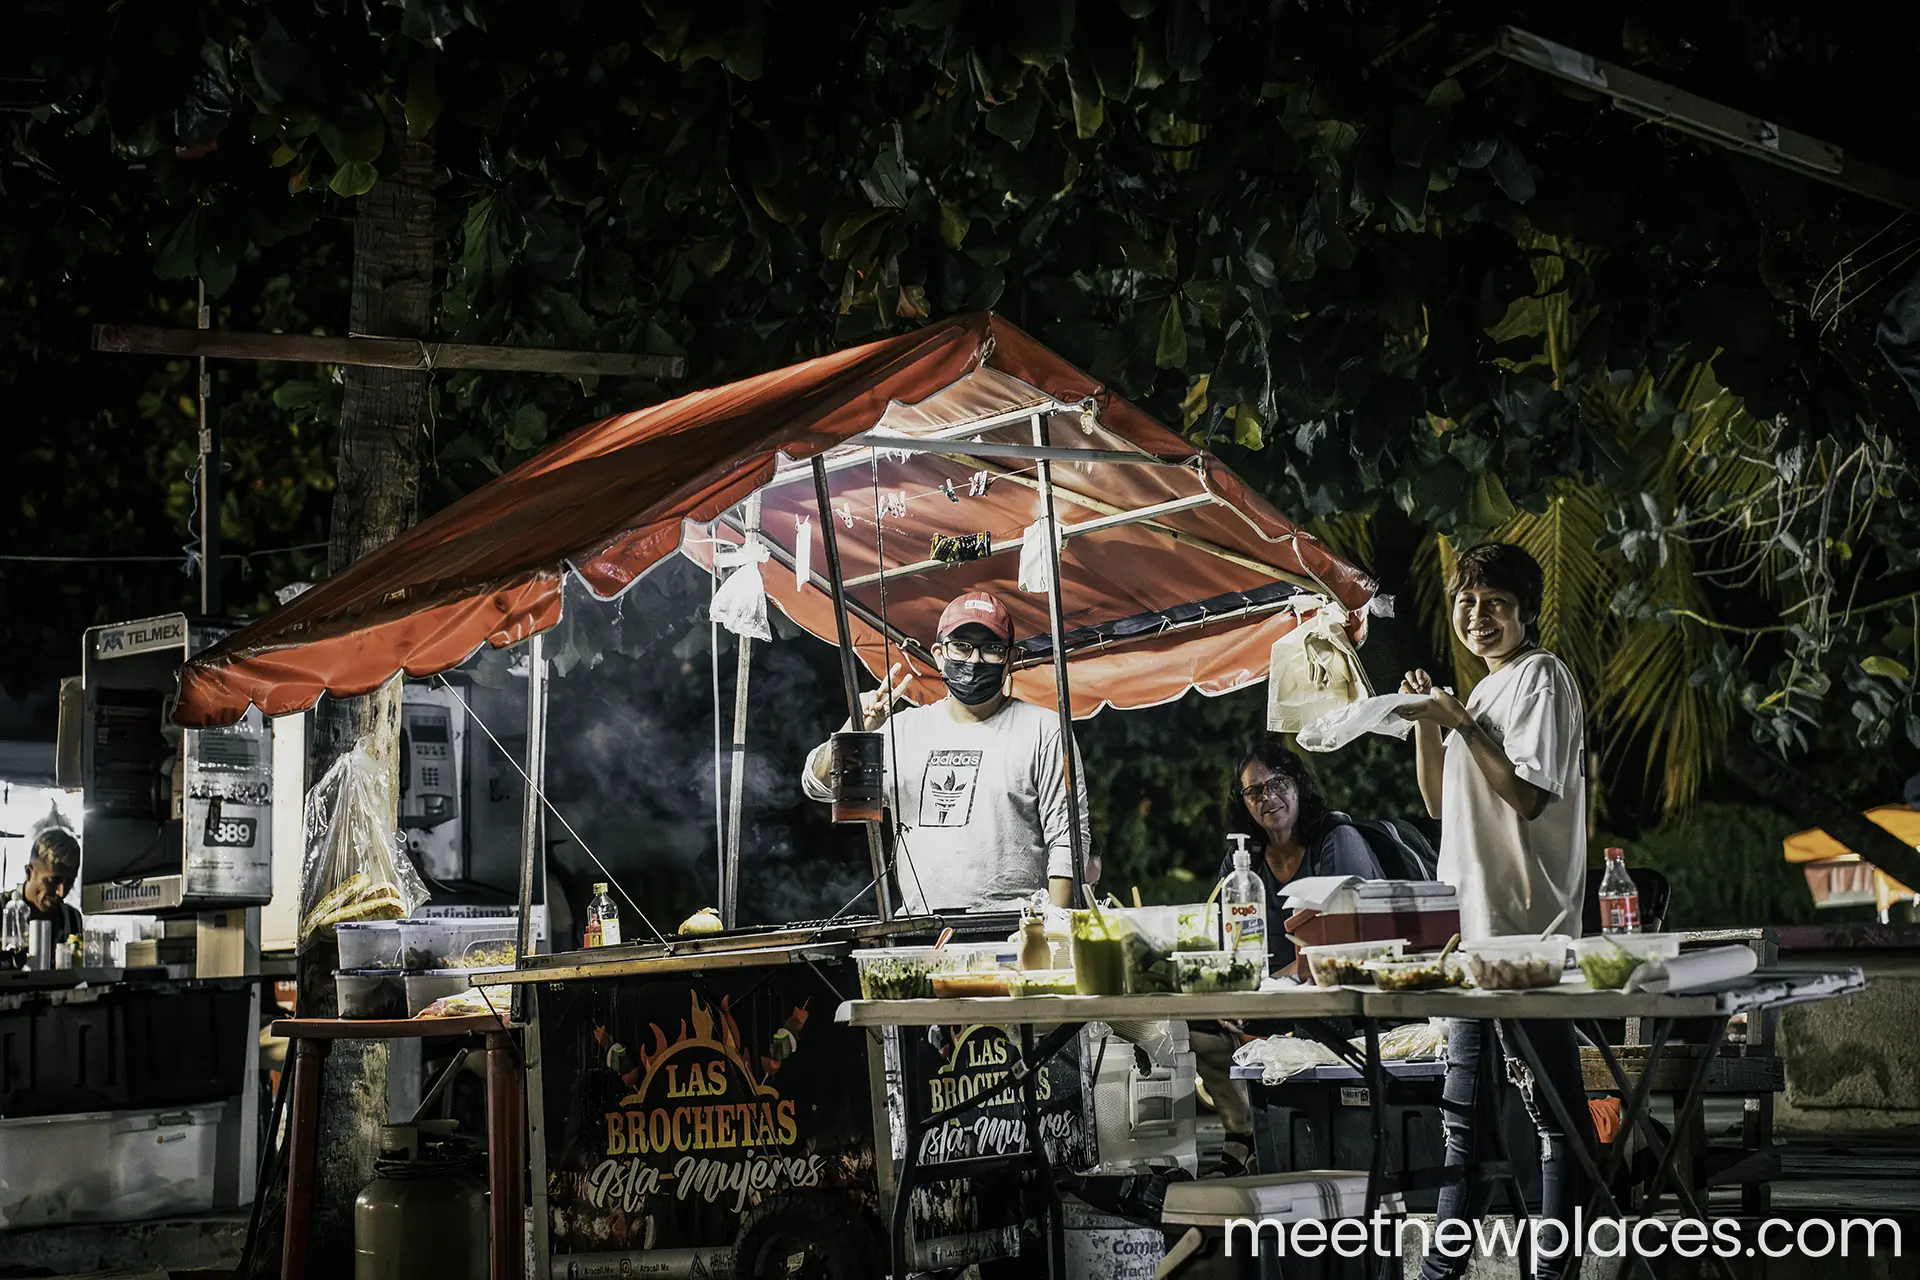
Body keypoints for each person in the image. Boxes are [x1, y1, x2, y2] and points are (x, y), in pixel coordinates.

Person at [1397, 541, 1593, 1280]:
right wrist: (1427, 721)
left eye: (1495, 604)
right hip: (1470, 935)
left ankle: (1554, 1272)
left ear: (1526, 612)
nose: (1478, 617)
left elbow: (1530, 795)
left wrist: (1462, 723)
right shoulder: (1479, 695)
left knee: (1554, 1118)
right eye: (1466, 603)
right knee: (1460, 1123)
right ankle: (1444, 1272)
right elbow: (1438, 805)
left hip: (1528, 933)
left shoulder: (1542, 679)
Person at [802, 589, 1092, 913]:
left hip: (1016, 928)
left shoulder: (1042, 729)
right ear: (939, 655)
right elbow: (821, 787)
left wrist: (1055, 929)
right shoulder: (904, 731)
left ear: (1010, 659)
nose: (974, 660)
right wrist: (855, 731)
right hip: (919, 928)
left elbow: (1068, 837)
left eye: (991, 649)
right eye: (962, 647)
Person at [1192, 738, 1386, 1175]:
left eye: (1277, 783)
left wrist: (1268, 989)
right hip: (1267, 995)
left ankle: (1297, 1141)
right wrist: (1230, 992)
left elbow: (1346, 942)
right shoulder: (1242, 862)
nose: (1268, 797)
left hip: (1332, 989)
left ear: (1297, 785)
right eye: (1254, 791)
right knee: (1197, 1026)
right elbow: (1226, 942)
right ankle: (1245, 1131)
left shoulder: (1336, 840)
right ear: (1243, 803)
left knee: (1296, 1024)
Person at [8, 827, 84, 946]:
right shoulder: (3, 910)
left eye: (70, 881)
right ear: (29, 873)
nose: (62, 893)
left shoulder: (71, 919)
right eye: (53, 880)